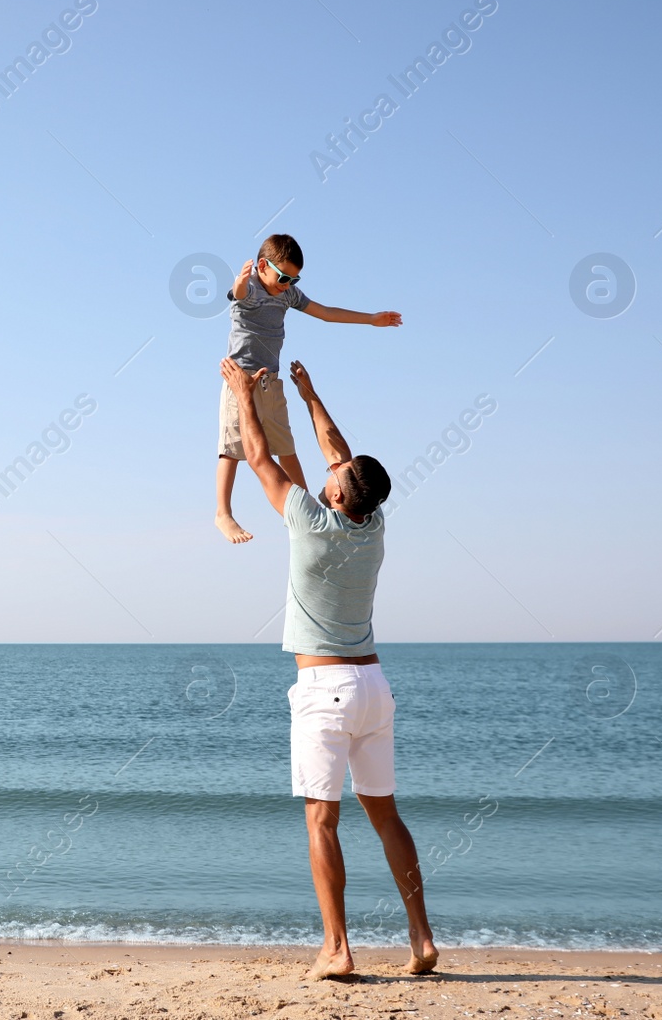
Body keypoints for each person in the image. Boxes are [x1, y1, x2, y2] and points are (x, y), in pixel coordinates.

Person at [220, 354, 438, 980]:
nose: (330, 469)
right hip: (373, 686)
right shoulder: (371, 525)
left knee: (323, 818)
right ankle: (421, 938)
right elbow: (341, 453)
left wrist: (242, 396)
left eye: (335, 473)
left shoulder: (310, 522)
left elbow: (260, 459)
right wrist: (310, 395)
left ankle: (337, 948)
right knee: (386, 814)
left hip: (326, 690)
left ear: (338, 492)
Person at [215, 234, 401, 545]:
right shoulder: (251, 289)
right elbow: (238, 292)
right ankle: (223, 512)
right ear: (262, 266)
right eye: (283, 277)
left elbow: (325, 312)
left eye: (294, 278)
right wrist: (240, 280)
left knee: (286, 448)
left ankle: (305, 508)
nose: (287, 284)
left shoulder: (287, 294)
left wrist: (370, 320)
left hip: (270, 381)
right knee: (232, 450)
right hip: (240, 378)